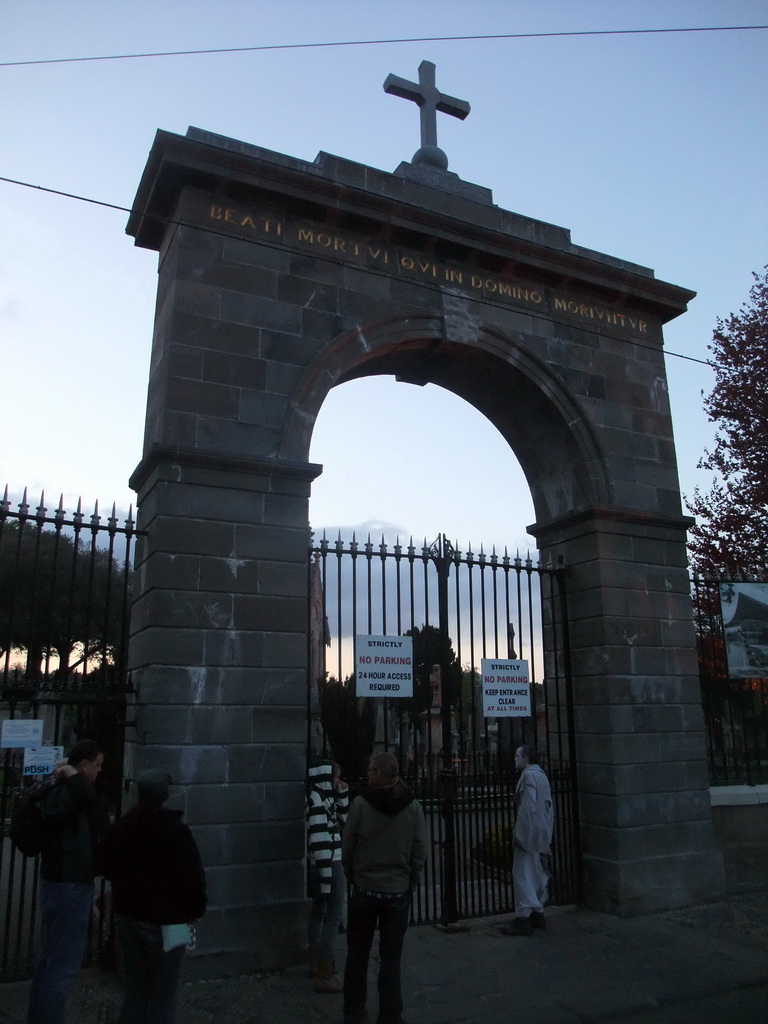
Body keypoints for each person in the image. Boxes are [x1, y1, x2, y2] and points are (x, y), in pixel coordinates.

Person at [101, 770, 207, 1024]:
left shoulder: (123, 827)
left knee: (136, 990)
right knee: (164, 994)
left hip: (128, 918)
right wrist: (194, 912)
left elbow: (107, 867)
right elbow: (192, 878)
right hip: (170, 922)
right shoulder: (175, 830)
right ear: (165, 796)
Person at [27, 738, 108, 1024]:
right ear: (84, 765)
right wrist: (72, 774)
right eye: (97, 765)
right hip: (69, 884)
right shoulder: (72, 792)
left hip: (55, 881)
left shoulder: (58, 789)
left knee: (50, 961)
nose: (99, 771)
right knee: (62, 966)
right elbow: (92, 804)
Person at [342, 751, 426, 1024]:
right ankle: (391, 1015)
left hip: (365, 889)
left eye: (370, 771)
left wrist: (353, 874)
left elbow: (348, 846)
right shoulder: (412, 806)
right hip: (397, 891)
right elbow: (419, 850)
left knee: (357, 955)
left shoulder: (360, 804)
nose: (367, 775)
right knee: (391, 959)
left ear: (378, 773)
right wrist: (410, 881)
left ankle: (354, 1012)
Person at [500, 744, 554, 936]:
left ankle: (523, 917)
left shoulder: (529, 776)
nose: (515, 759)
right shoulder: (542, 775)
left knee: (522, 874)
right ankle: (538, 913)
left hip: (529, 835)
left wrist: (520, 835)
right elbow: (548, 807)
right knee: (536, 872)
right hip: (540, 833)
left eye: (517, 756)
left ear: (526, 759)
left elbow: (528, 807)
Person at [306, 759, 349, 992]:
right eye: (336, 777)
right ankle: (325, 969)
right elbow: (320, 838)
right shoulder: (316, 800)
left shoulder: (323, 798)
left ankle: (315, 960)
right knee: (333, 914)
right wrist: (325, 875)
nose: (338, 781)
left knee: (319, 911)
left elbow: (344, 822)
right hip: (329, 862)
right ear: (325, 776)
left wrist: (342, 796)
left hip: (327, 861)